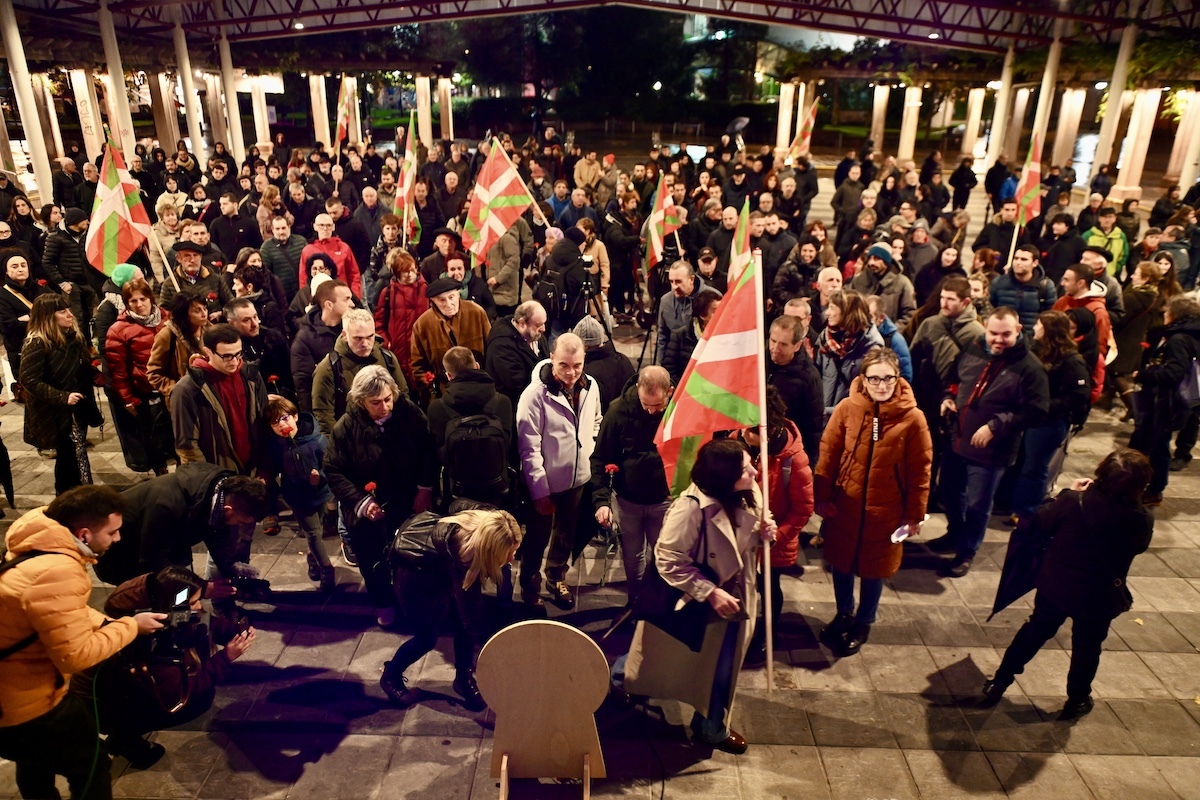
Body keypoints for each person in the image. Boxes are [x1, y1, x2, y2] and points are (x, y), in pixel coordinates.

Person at [0, 486, 165, 799]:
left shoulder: (37, 541)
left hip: (9, 697)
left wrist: (106, 624)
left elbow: (55, 610)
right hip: (30, 702)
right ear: (85, 534)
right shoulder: (59, 571)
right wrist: (130, 626)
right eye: (113, 532)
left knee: (34, 759)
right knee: (91, 765)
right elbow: (76, 656)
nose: (117, 539)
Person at [617, 439, 774, 755]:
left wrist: (765, 531)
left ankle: (712, 727)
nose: (754, 471)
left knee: (724, 668)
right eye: (745, 468)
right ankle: (620, 683)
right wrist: (709, 591)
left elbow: (747, 534)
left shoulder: (751, 491)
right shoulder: (690, 508)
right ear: (723, 476)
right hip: (696, 601)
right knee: (659, 658)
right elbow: (667, 558)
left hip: (737, 598)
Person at [982, 448, 1154, 720]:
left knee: (1036, 630)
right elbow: (1140, 547)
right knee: (1088, 646)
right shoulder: (1141, 518)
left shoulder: (1074, 502)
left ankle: (999, 682)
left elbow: (1038, 521)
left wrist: (1067, 493)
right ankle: (1077, 699)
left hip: (1057, 585)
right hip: (1100, 595)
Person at [72, 566, 255, 769]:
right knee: (199, 700)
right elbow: (177, 696)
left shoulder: (154, 596)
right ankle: (124, 738)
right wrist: (224, 658)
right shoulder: (156, 643)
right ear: (172, 608)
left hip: (114, 690)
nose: (197, 607)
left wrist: (234, 630)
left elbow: (198, 617)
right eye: (193, 602)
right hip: (101, 705)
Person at [815, 348, 931, 656]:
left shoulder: (913, 418)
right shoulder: (846, 408)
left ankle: (864, 621)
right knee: (841, 563)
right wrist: (822, 497)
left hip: (887, 510)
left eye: (888, 378)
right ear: (863, 379)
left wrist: (914, 516)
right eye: (875, 378)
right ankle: (843, 613)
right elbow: (828, 454)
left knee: (873, 569)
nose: (882, 385)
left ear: (897, 378)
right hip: (846, 504)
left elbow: (921, 469)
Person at [928, 307, 1049, 576]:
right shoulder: (973, 349)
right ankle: (954, 534)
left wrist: (997, 425)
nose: (997, 340)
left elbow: (1037, 411)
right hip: (958, 439)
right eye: (993, 333)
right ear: (985, 327)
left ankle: (966, 551)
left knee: (977, 504)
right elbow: (954, 377)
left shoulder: (1030, 368)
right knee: (948, 491)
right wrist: (948, 396)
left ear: (1018, 330)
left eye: (1005, 334)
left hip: (992, 451)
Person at [379, 507, 522, 712]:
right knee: (426, 639)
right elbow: (472, 616)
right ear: (490, 549)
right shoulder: (466, 559)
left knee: (463, 629)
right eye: (509, 552)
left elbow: (458, 504)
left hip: (440, 578)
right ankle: (391, 676)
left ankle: (463, 680)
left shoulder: (483, 520)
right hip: (418, 589)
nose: (511, 558)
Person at [326, 366, 437, 626]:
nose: (385, 407)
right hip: (368, 508)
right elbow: (334, 470)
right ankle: (383, 601)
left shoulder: (409, 413)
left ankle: (410, 600)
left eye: (388, 399)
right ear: (360, 401)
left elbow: (428, 451)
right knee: (373, 558)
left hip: (407, 500)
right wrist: (362, 503)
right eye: (375, 403)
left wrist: (424, 488)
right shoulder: (346, 427)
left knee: (411, 557)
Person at [516, 333, 602, 609]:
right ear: (552, 358)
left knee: (566, 535)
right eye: (564, 365)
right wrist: (539, 491)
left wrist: (588, 450)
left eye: (577, 365)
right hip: (547, 483)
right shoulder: (534, 396)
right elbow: (529, 448)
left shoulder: (591, 386)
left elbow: (596, 420)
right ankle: (530, 587)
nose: (571, 372)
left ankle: (556, 577)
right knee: (537, 539)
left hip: (578, 479)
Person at [740, 388, 814, 662]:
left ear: (767, 432)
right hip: (742, 541)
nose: (742, 434)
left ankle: (767, 633)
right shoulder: (742, 444)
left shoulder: (794, 460)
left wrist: (775, 536)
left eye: (749, 431)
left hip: (773, 545)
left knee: (768, 588)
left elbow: (803, 509)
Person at [591, 366, 673, 606]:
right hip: (628, 502)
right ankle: (636, 603)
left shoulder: (679, 412)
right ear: (637, 389)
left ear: (669, 392)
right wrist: (601, 501)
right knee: (632, 557)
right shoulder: (618, 411)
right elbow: (601, 458)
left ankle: (657, 605)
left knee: (663, 558)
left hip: (665, 501)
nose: (650, 411)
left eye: (657, 406)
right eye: (645, 404)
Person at [1010, 311, 1091, 522]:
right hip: (1035, 419)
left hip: (1049, 423)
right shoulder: (1040, 352)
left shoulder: (1072, 361)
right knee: (1025, 464)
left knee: (1034, 467)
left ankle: (1028, 511)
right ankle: (1017, 504)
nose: (1034, 328)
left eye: (1039, 324)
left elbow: (1079, 396)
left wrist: (1044, 406)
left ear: (1049, 331)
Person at [21, 294, 101, 492]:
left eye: (68, 309)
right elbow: (29, 380)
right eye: (62, 311)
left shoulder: (72, 336)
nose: (69, 314)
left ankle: (82, 495)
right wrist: (62, 397)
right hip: (55, 414)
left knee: (77, 455)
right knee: (69, 458)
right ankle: (71, 499)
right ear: (48, 316)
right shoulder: (37, 343)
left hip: (76, 409)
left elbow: (78, 366)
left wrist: (95, 374)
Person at [1129, 295, 1200, 505]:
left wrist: (1144, 374)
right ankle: (1134, 481)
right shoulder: (1192, 335)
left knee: (1157, 446)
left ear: (1175, 314)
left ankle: (1154, 490)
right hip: (1174, 404)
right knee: (1147, 443)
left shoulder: (1179, 338)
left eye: (1167, 311)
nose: (1164, 314)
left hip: (1165, 404)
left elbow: (1173, 373)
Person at [263, 397, 336, 591]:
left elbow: (331, 466)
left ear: (295, 416)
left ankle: (313, 559)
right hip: (296, 497)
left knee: (317, 529)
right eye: (275, 422)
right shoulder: (276, 446)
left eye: (284, 418)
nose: (281, 425)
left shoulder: (317, 441)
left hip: (319, 494)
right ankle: (327, 569)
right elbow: (271, 467)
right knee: (312, 533)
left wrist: (319, 476)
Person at [105, 278, 174, 475]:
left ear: (151, 298)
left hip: (172, 387)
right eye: (133, 301)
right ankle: (161, 473)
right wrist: (127, 400)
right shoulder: (118, 330)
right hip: (145, 392)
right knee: (153, 439)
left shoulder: (167, 320)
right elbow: (118, 371)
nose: (139, 304)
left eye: (143, 298)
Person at [312, 308, 410, 435]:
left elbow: (402, 396)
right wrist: (338, 447)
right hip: (351, 440)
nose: (365, 343)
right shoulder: (328, 368)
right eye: (358, 338)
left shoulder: (387, 358)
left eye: (370, 336)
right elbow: (324, 416)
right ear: (344, 335)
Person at [410, 276, 492, 398]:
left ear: (458, 295)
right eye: (442, 300)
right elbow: (418, 367)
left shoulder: (476, 312)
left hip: (480, 387)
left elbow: (491, 350)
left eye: (451, 297)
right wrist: (430, 388)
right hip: (445, 393)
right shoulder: (422, 324)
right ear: (433, 301)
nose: (448, 304)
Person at [815, 289, 883, 421]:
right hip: (823, 421)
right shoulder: (824, 340)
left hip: (852, 420)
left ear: (847, 312)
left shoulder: (871, 348)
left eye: (832, 308)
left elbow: (869, 395)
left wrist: (832, 411)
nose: (827, 313)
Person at [291, 278, 354, 412]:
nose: (352, 304)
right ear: (329, 305)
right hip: (328, 409)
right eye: (346, 299)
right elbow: (304, 386)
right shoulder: (305, 338)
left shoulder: (355, 329)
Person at [373, 248, 428, 390]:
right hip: (397, 352)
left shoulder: (426, 290)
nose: (410, 274)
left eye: (412, 269)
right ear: (397, 272)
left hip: (422, 351)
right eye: (405, 271)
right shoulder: (388, 293)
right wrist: (386, 343)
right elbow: (378, 322)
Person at [0, 249, 49, 400]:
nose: (20, 269)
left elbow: (58, 309)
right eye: (14, 266)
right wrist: (41, 319)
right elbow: (8, 326)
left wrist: (29, 319)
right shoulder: (3, 295)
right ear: (6, 272)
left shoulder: (41, 288)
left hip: (49, 348)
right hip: (22, 351)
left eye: (23, 265)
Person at [226, 296, 294, 400]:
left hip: (285, 399)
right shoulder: (230, 350)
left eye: (255, 317)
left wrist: (284, 396)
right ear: (231, 323)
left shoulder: (274, 337)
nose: (254, 324)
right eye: (246, 320)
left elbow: (290, 371)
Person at [485, 300, 549, 409]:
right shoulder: (501, 346)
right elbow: (517, 385)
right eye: (538, 325)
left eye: (544, 323)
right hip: (514, 407)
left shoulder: (535, 335)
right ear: (522, 323)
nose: (543, 329)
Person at [146, 289, 208, 402]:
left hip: (209, 396)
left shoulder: (210, 330)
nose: (204, 314)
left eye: (205, 308)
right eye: (197, 311)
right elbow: (153, 374)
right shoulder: (167, 335)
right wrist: (178, 389)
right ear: (183, 314)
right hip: (184, 400)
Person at [848, 243, 917, 330]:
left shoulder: (902, 283)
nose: (871, 262)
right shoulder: (859, 280)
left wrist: (891, 331)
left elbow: (910, 314)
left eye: (877, 258)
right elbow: (849, 307)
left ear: (886, 261)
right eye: (870, 258)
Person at [989, 244, 1057, 330]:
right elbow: (990, 308)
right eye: (1016, 258)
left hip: (1032, 337)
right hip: (1003, 333)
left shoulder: (1046, 286)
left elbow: (1050, 317)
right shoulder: (999, 283)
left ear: (1035, 263)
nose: (1018, 262)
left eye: (1024, 259)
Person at [260, 216, 306, 302]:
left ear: (289, 227)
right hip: (281, 296)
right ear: (272, 230)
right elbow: (265, 273)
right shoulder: (266, 248)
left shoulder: (301, 242)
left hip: (302, 291)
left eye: (283, 228)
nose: (281, 232)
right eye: (277, 229)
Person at [972, 200, 1019, 270]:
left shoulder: (1019, 229)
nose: (1010, 213)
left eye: (1013, 210)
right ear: (1001, 210)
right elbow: (977, 246)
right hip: (990, 267)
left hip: (1010, 268)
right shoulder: (991, 227)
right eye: (1007, 210)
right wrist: (989, 254)